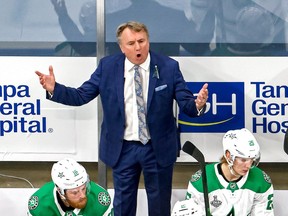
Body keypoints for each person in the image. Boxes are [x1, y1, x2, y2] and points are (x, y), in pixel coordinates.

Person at [35, 21, 208, 216]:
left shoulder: (168, 67)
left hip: (157, 148)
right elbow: (81, 95)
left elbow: (187, 105)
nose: (138, 47)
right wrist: (54, 89)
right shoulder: (108, 67)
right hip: (123, 149)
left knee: (160, 206)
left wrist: (198, 104)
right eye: (131, 43)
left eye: (142, 41)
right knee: (123, 207)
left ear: (148, 41)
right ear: (121, 47)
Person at [184, 128, 274, 215]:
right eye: (243, 160)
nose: (249, 166)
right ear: (228, 155)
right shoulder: (201, 181)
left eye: (251, 160)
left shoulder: (261, 181)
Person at [27, 158, 113, 216]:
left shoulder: (101, 200)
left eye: (83, 188)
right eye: (75, 192)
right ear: (60, 191)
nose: (82, 195)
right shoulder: (39, 205)